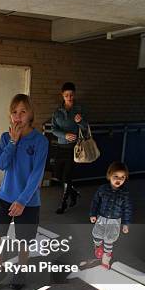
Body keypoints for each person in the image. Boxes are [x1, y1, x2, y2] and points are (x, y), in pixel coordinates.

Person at [0, 94, 49, 290]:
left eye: (23, 112)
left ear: (30, 114)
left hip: (28, 201)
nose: (18, 116)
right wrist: (13, 142)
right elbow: (1, 164)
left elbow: (36, 175)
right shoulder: (5, 137)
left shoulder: (40, 141)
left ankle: (21, 270)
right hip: (4, 197)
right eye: (14, 112)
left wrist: (22, 201)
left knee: (24, 240)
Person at [51, 82, 89, 214]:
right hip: (60, 146)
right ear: (62, 95)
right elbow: (53, 129)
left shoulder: (79, 109)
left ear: (74, 94)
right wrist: (64, 135)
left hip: (74, 149)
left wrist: (80, 122)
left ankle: (63, 203)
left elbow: (85, 128)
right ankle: (74, 193)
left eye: (71, 95)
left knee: (67, 175)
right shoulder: (57, 111)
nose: (69, 97)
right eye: (66, 95)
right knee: (57, 175)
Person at [89, 162, 132, 269]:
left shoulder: (125, 193)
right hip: (102, 218)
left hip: (115, 221)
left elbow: (127, 209)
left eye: (122, 177)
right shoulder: (103, 189)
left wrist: (126, 224)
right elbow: (95, 201)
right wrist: (93, 214)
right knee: (97, 235)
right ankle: (98, 246)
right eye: (116, 176)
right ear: (109, 175)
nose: (119, 179)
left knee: (109, 239)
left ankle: (106, 257)